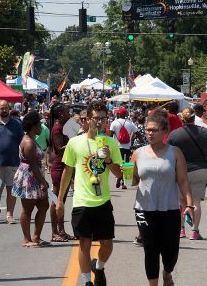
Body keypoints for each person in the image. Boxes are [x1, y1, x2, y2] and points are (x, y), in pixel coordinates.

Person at [56, 100, 123, 286]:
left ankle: (99, 267)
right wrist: (60, 200)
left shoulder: (111, 143)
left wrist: (109, 160)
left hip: (102, 201)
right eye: (96, 119)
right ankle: (86, 281)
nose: (100, 122)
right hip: (81, 201)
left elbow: (119, 174)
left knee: (107, 244)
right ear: (88, 119)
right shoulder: (75, 143)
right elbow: (67, 171)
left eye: (103, 119)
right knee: (84, 244)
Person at [131, 108, 195, 286]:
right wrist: (127, 174)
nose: (149, 133)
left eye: (154, 130)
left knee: (171, 251)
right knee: (150, 250)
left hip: (170, 209)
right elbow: (134, 181)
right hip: (144, 209)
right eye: (147, 129)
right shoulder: (138, 154)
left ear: (165, 131)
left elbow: (183, 181)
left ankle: (167, 273)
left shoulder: (174, 153)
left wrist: (190, 205)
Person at [167, 107, 207, 240]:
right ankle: (194, 231)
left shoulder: (174, 134)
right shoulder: (204, 132)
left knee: (181, 201)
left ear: (181, 119)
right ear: (194, 118)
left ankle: (181, 230)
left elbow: (168, 152)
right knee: (196, 201)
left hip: (180, 170)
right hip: (200, 170)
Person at [11, 111, 51, 247]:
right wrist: (42, 182)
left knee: (44, 205)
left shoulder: (32, 139)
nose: (41, 127)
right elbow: (33, 166)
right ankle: (26, 239)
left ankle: (36, 237)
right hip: (29, 178)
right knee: (27, 209)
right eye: (39, 124)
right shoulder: (29, 142)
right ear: (34, 126)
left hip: (34, 176)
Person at [0, 100, 24, 225]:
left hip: (13, 163)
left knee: (11, 191)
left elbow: (22, 142)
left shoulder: (17, 124)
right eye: (1, 108)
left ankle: (10, 214)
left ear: (9, 109)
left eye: (6, 108)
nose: (4, 110)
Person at [49, 103, 75, 242]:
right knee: (56, 201)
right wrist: (75, 141)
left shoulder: (63, 127)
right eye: (66, 111)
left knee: (62, 201)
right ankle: (54, 232)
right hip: (59, 168)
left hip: (65, 166)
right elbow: (60, 148)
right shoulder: (57, 128)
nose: (69, 113)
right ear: (60, 114)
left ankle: (61, 231)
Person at [109, 107, 137, 189]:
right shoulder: (130, 123)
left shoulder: (114, 123)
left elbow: (110, 136)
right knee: (126, 164)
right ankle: (125, 183)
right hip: (127, 147)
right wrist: (142, 141)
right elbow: (137, 133)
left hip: (117, 147)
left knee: (118, 164)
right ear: (125, 115)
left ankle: (118, 177)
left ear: (118, 114)